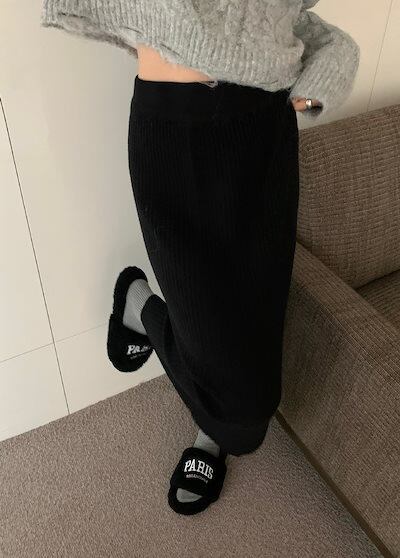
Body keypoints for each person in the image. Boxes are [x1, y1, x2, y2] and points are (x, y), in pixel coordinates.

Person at [41, 0, 360, 516]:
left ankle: (203, 420)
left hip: (265, 138)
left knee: (255, 320)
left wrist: (326, 71)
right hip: (176, 138)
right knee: (242, 407)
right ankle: (144, 311)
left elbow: (299, 23)